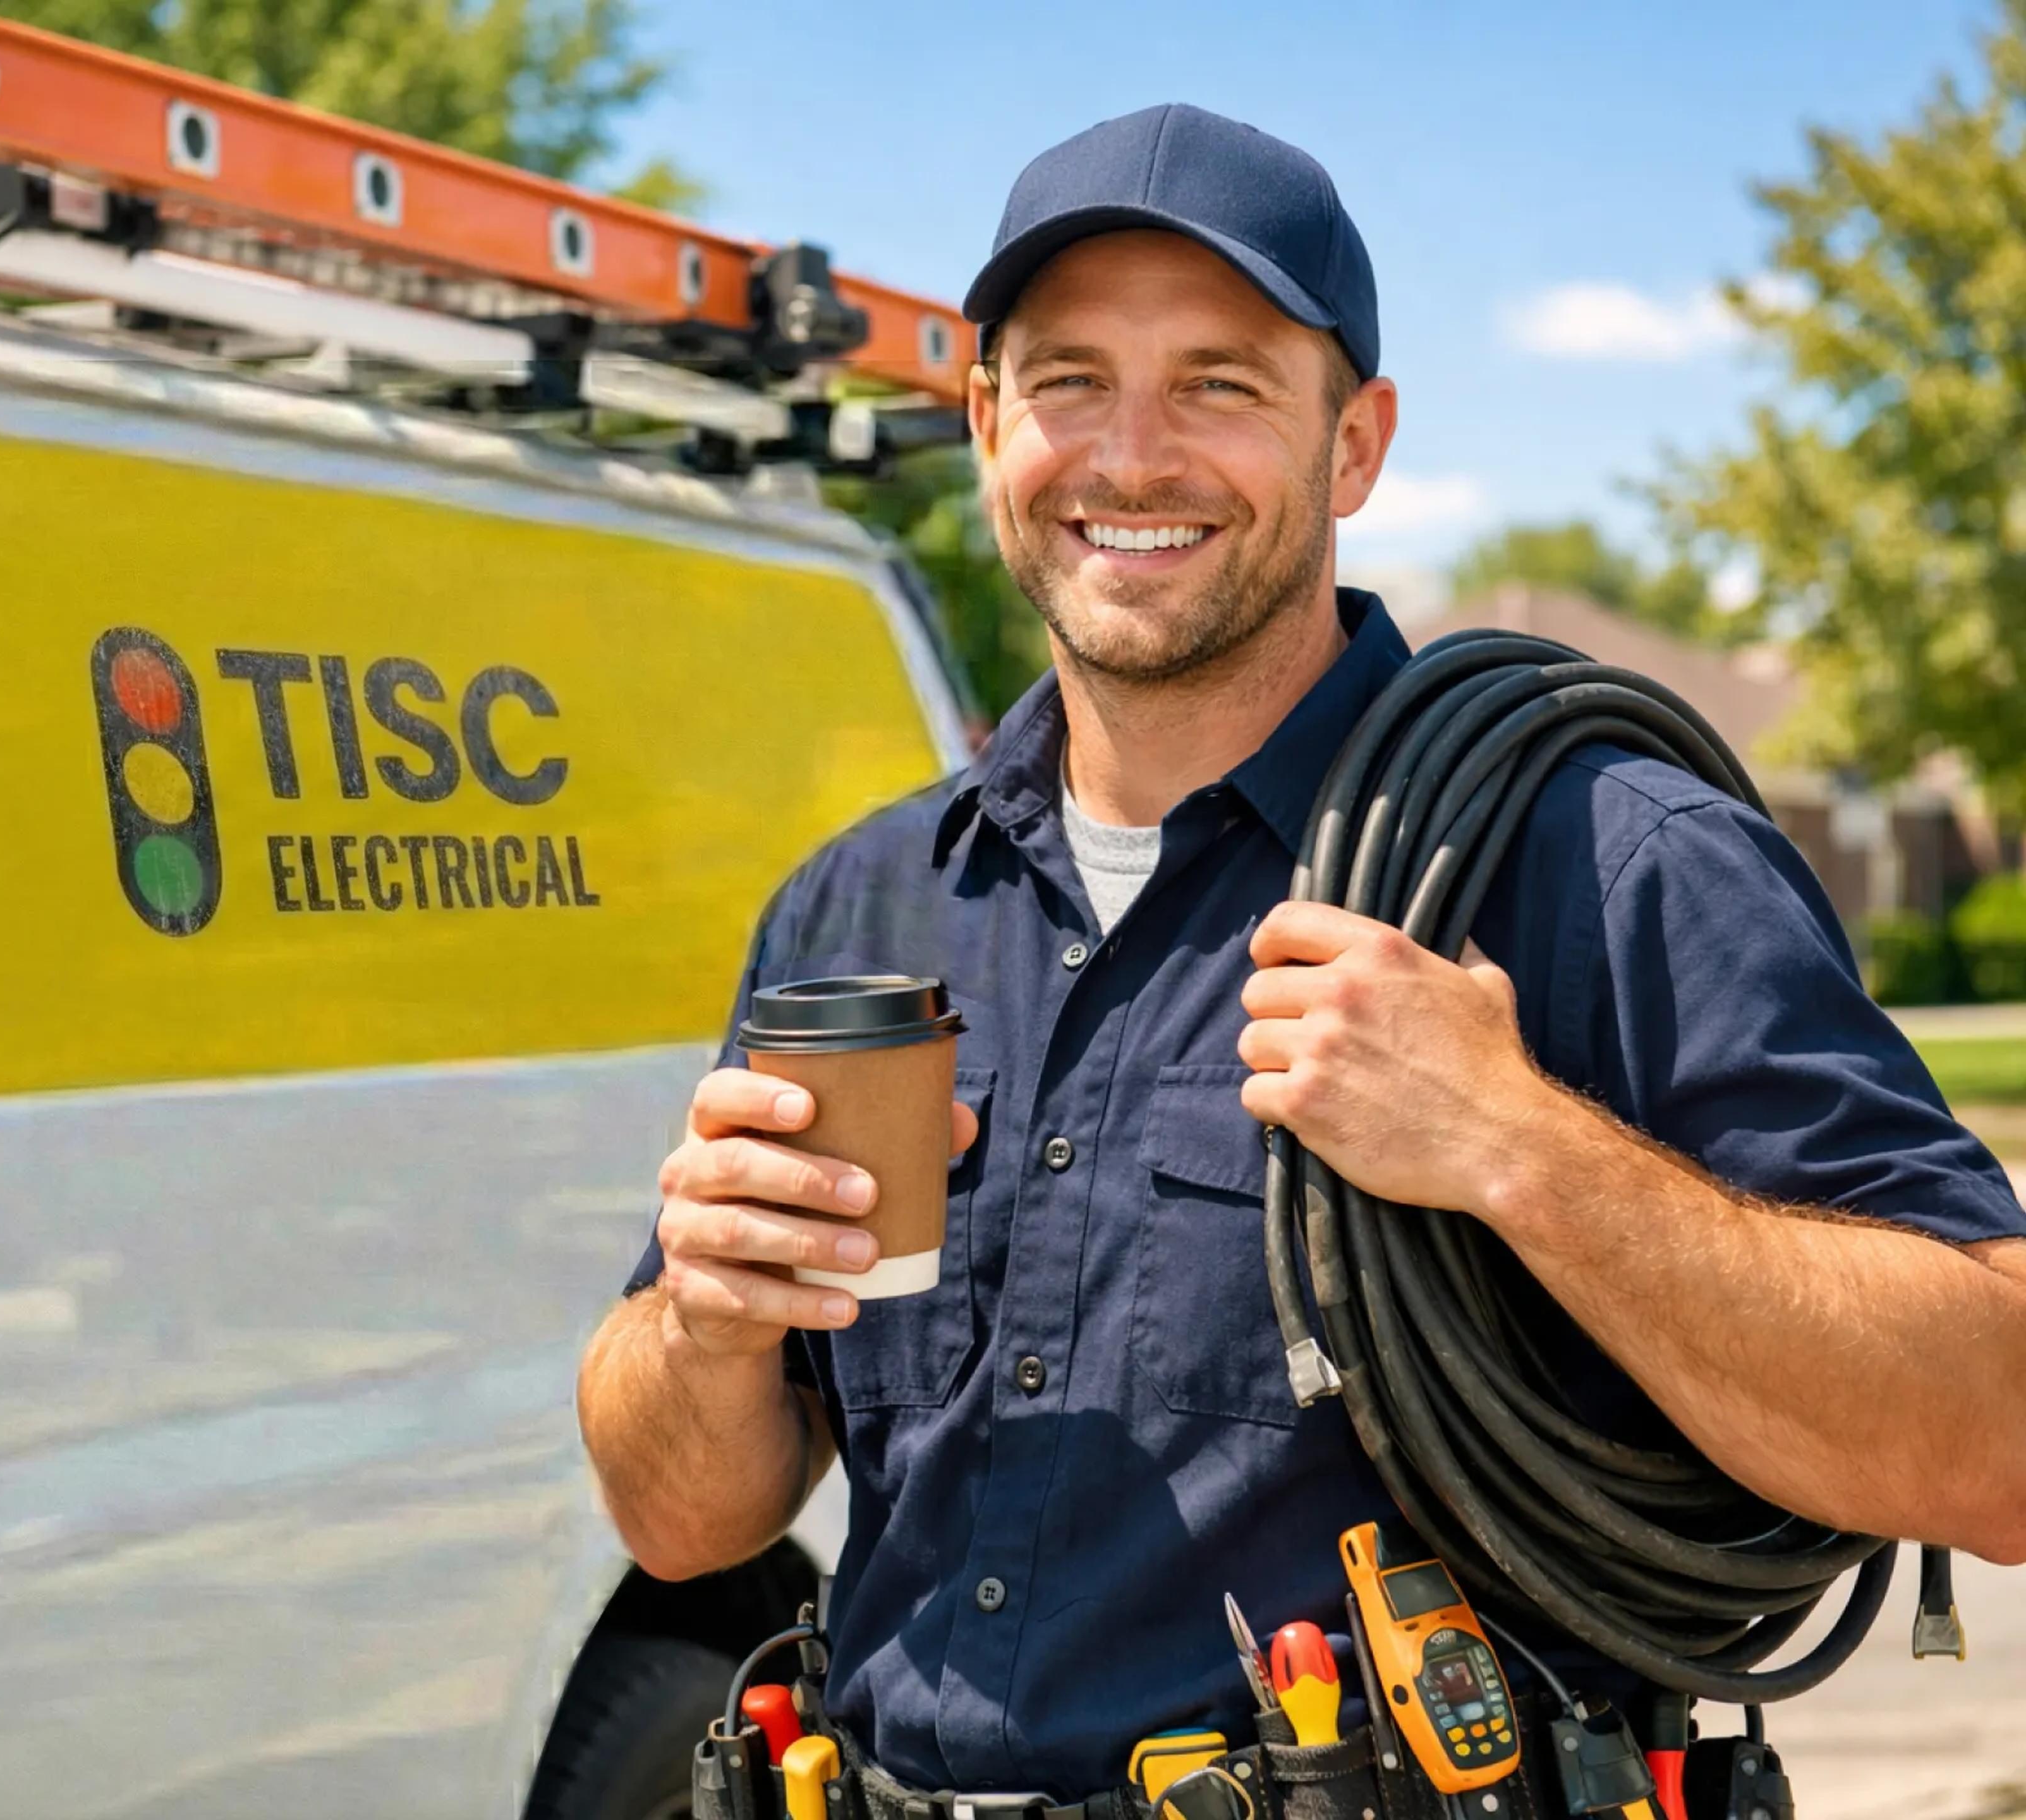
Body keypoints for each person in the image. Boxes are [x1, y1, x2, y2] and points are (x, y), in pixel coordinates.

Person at [575, 103, 2026, 1805]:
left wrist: (1520, 1148)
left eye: (1220, 385)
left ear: (1354, 446)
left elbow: (1996, 1437)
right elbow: (680, 1524)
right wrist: (705, 1325)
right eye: (1068, 381)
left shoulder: (1599, 861)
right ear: (986, 423)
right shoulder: (864, 910)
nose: (1132, 459)